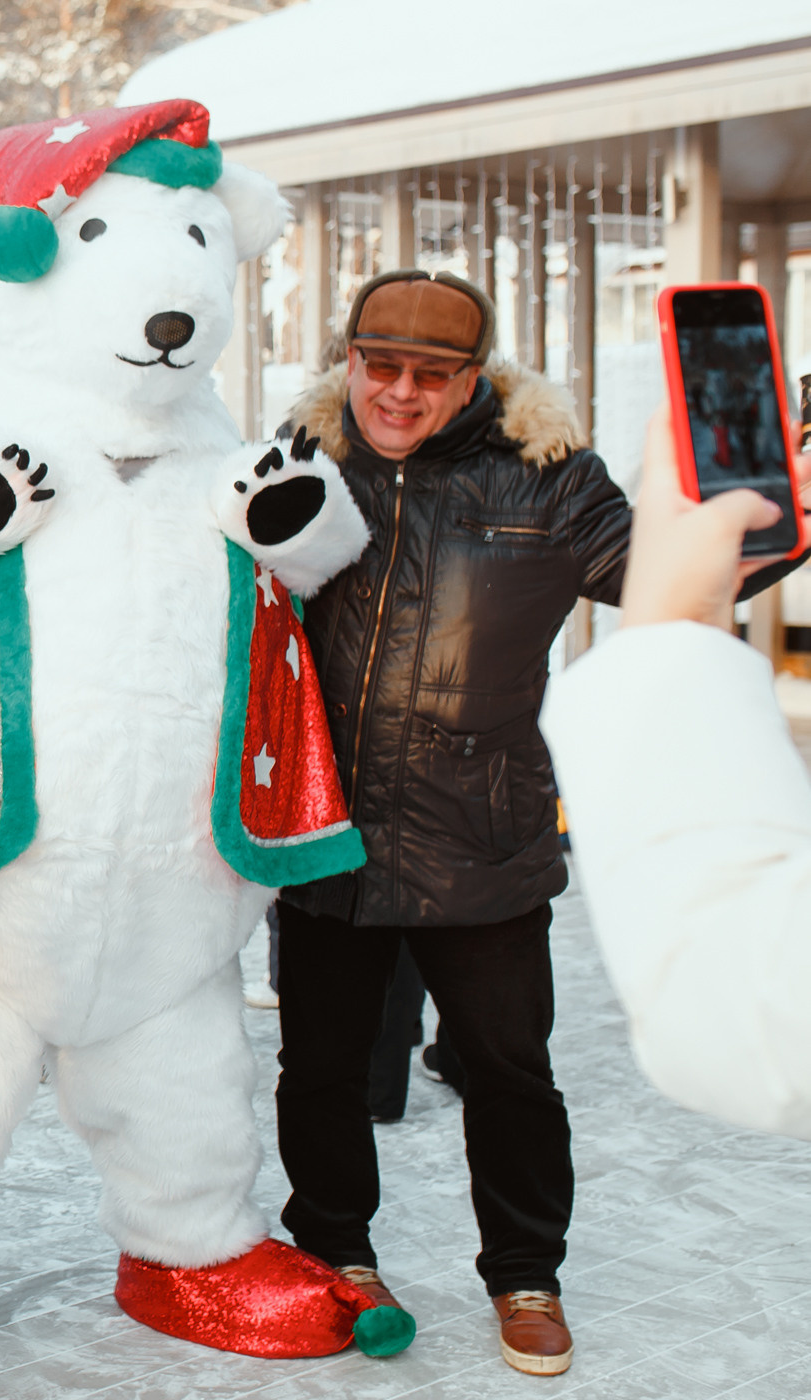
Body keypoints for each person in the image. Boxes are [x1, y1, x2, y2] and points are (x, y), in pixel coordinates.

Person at [266, 269, 785, 1377]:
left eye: (429, 374)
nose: (398, 394)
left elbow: (677, 575)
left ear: (473, 379)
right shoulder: (304, 459)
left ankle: (525, 1273)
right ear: (347, 359)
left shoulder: (547, 476)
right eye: (380, 365)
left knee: (508, 1070)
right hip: (330, 833)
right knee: (319, 1067)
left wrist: (780, 513)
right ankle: (336, 1252)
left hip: (483, 837)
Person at [542, 406, 811, 1140]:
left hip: (496, 825)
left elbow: (739, 1013)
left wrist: (673, 630)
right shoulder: (324, 466)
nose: (404, 392)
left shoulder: (543, 469)